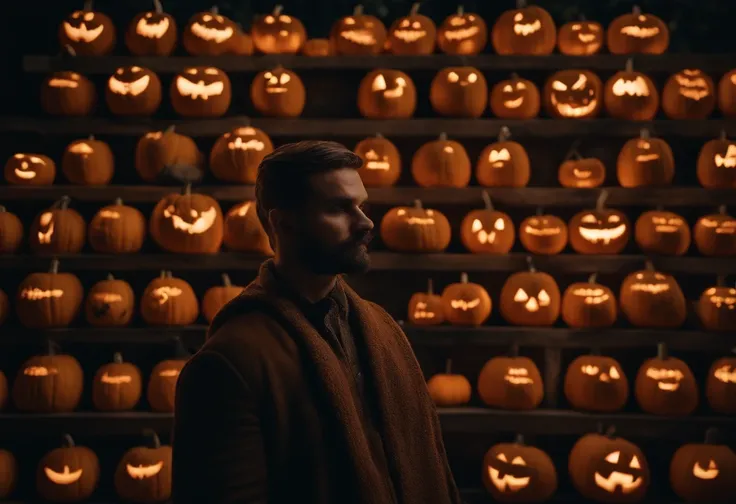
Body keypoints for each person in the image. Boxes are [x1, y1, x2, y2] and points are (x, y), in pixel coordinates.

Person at [172, 140, 462, 504]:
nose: (365, 222)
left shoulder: (382, 329)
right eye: (340, 208)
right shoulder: (229, 362)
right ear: (284, 223)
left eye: (360, 205)